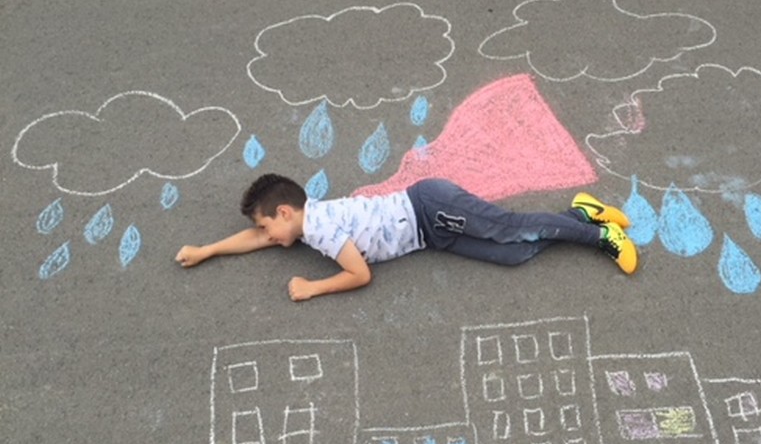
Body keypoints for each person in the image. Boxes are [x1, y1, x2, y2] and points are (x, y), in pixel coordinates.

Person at [175, 174, 637, 302]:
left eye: (266, 225)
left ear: (285, 212)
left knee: (509, 228)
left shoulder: (318, 227)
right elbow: (253, 240)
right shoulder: (304, 221)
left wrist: (312, 287)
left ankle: (599, 235)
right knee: (514, 255)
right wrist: (207, 250)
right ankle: (579, 212)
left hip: (430, 207)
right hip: (431, 235)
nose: (264, 236)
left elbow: (359, 275)